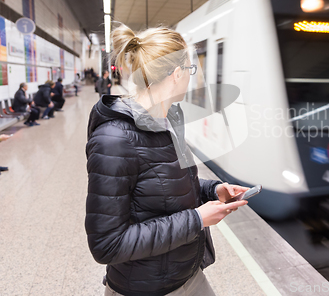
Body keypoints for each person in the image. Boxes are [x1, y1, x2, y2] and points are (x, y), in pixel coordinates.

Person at [85, 23, 249, 296]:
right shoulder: (113, 140)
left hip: (187, 274)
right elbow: (107, 244)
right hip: (144, 287)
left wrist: (214, 190)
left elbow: (172, 180)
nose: (191, 77)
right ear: (176, 74)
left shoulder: (170, 118)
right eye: (190, 70)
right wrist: (197, 219)